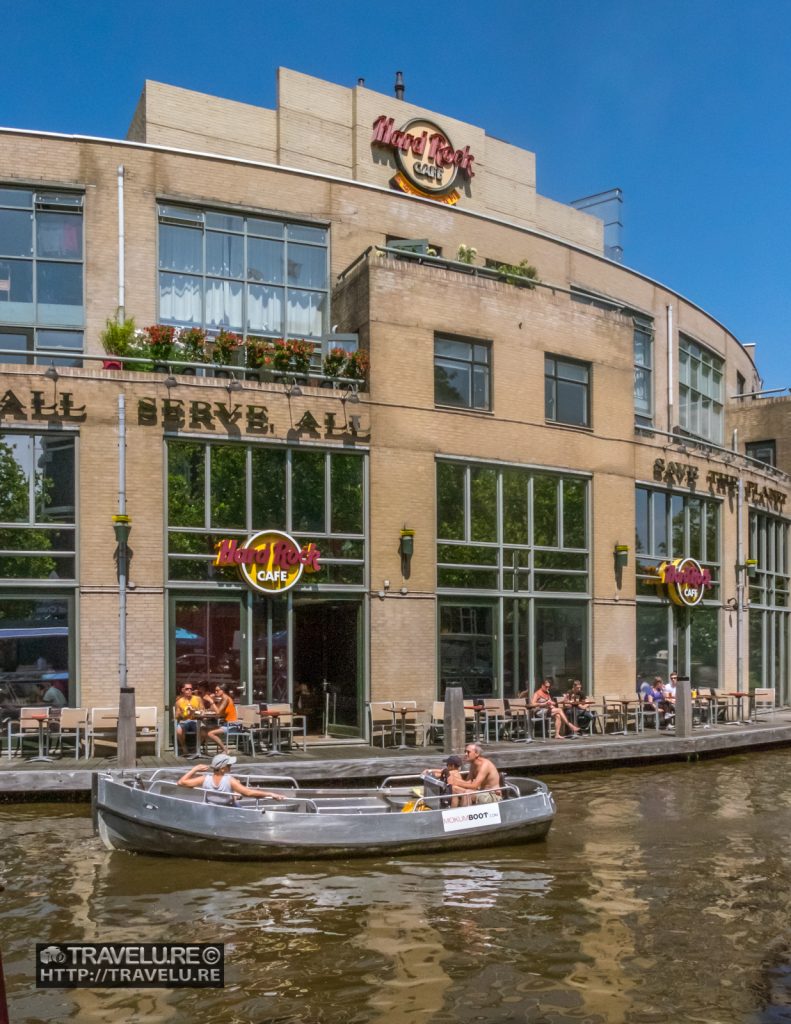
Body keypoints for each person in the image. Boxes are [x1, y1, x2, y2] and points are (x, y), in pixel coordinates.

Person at [178, 753, 286, 800]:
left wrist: (194, 769)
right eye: (229, 765)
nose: (231, 766)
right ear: (223, 768)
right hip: (228, 809)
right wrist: (271, 794)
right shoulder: (230, 780)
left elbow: (181, 782)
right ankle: (236, 796)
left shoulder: (204, 779)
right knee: (238, 786)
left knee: (236, 788)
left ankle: (235, 795)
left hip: (213, 807)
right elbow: (249, 793)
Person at [206, 682, 240, 755]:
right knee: (204, 730)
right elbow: (213, 709)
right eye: (215, 690)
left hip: (232, 725)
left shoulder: (226, 699)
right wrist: (212, 699)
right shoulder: (222, 699)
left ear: (223, 690)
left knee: (210, 733)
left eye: (217, 690)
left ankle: (225, 750)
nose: (215, 692)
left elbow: (217, 712)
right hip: (225, 724)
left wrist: (211, 701)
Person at [174, 682, 204, 755]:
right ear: (182, 690)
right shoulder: (179, 701)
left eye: (191, 689)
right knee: (179, 731)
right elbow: (177, 715)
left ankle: (197, 748)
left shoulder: (198, 699)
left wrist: (196, 711)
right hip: (184, 721)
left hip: (196, 720)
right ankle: (184, 747)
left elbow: (203, 709)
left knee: (204, 732)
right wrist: (183, 713)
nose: (189, 690)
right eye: (187, 689)